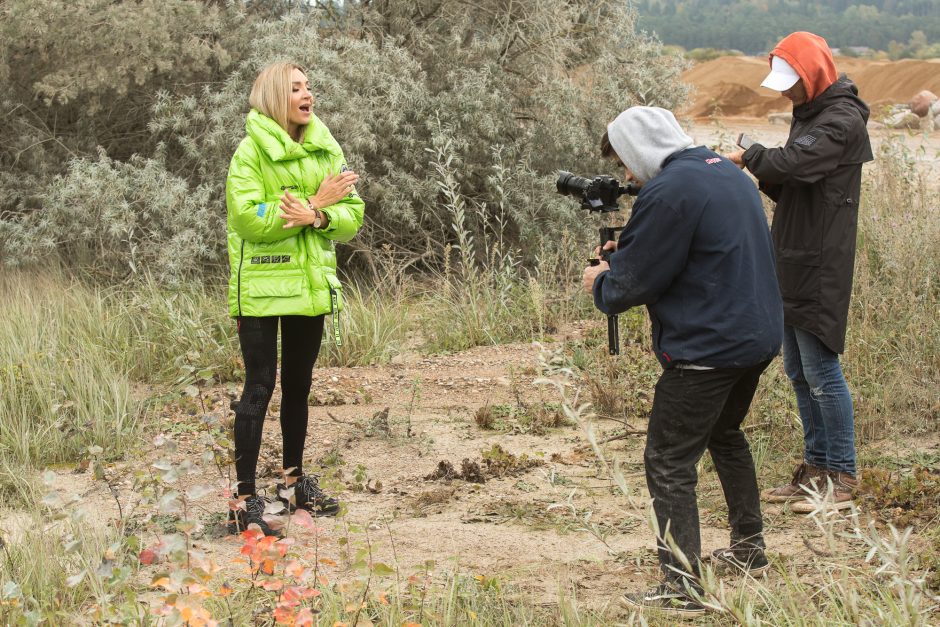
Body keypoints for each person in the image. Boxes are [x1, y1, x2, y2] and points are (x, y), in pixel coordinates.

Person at [582, 106, 782, 616]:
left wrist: (602, 281)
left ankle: (682, 585)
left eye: (626, 162)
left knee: (668, 461)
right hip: (755, 335)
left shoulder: (668, 191)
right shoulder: (723, 173)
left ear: (641, 148)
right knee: (724, 434)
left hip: (706, 349)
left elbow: (635, 283)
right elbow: (699, 248)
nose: (627, 175)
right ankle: (749, 549)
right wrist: (626, 249)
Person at [725, 32, 873, 514]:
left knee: (822, 370)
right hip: (793, 252)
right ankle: (816, 468)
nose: (786, 92)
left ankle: (842, 477)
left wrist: (752, 157)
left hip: (821, 260)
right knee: (797, 370)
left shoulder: (841, 119)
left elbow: (795, 163)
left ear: (813, 74)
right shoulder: (812, 113)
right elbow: (794, 185)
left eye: (792, 82)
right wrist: (762, 167)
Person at [225, 62, 364, 536]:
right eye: (297, 88)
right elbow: (246, 218)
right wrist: (314, 204)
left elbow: (353, 214)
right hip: (261, 289)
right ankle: (243, 500)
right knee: (259, 387)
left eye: (309, 87)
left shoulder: (327, 147)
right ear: (273, 97)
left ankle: (293, 484)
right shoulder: (249, 152)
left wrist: (319, 215)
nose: (309, 95)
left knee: (299, 386)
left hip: (309, 285)